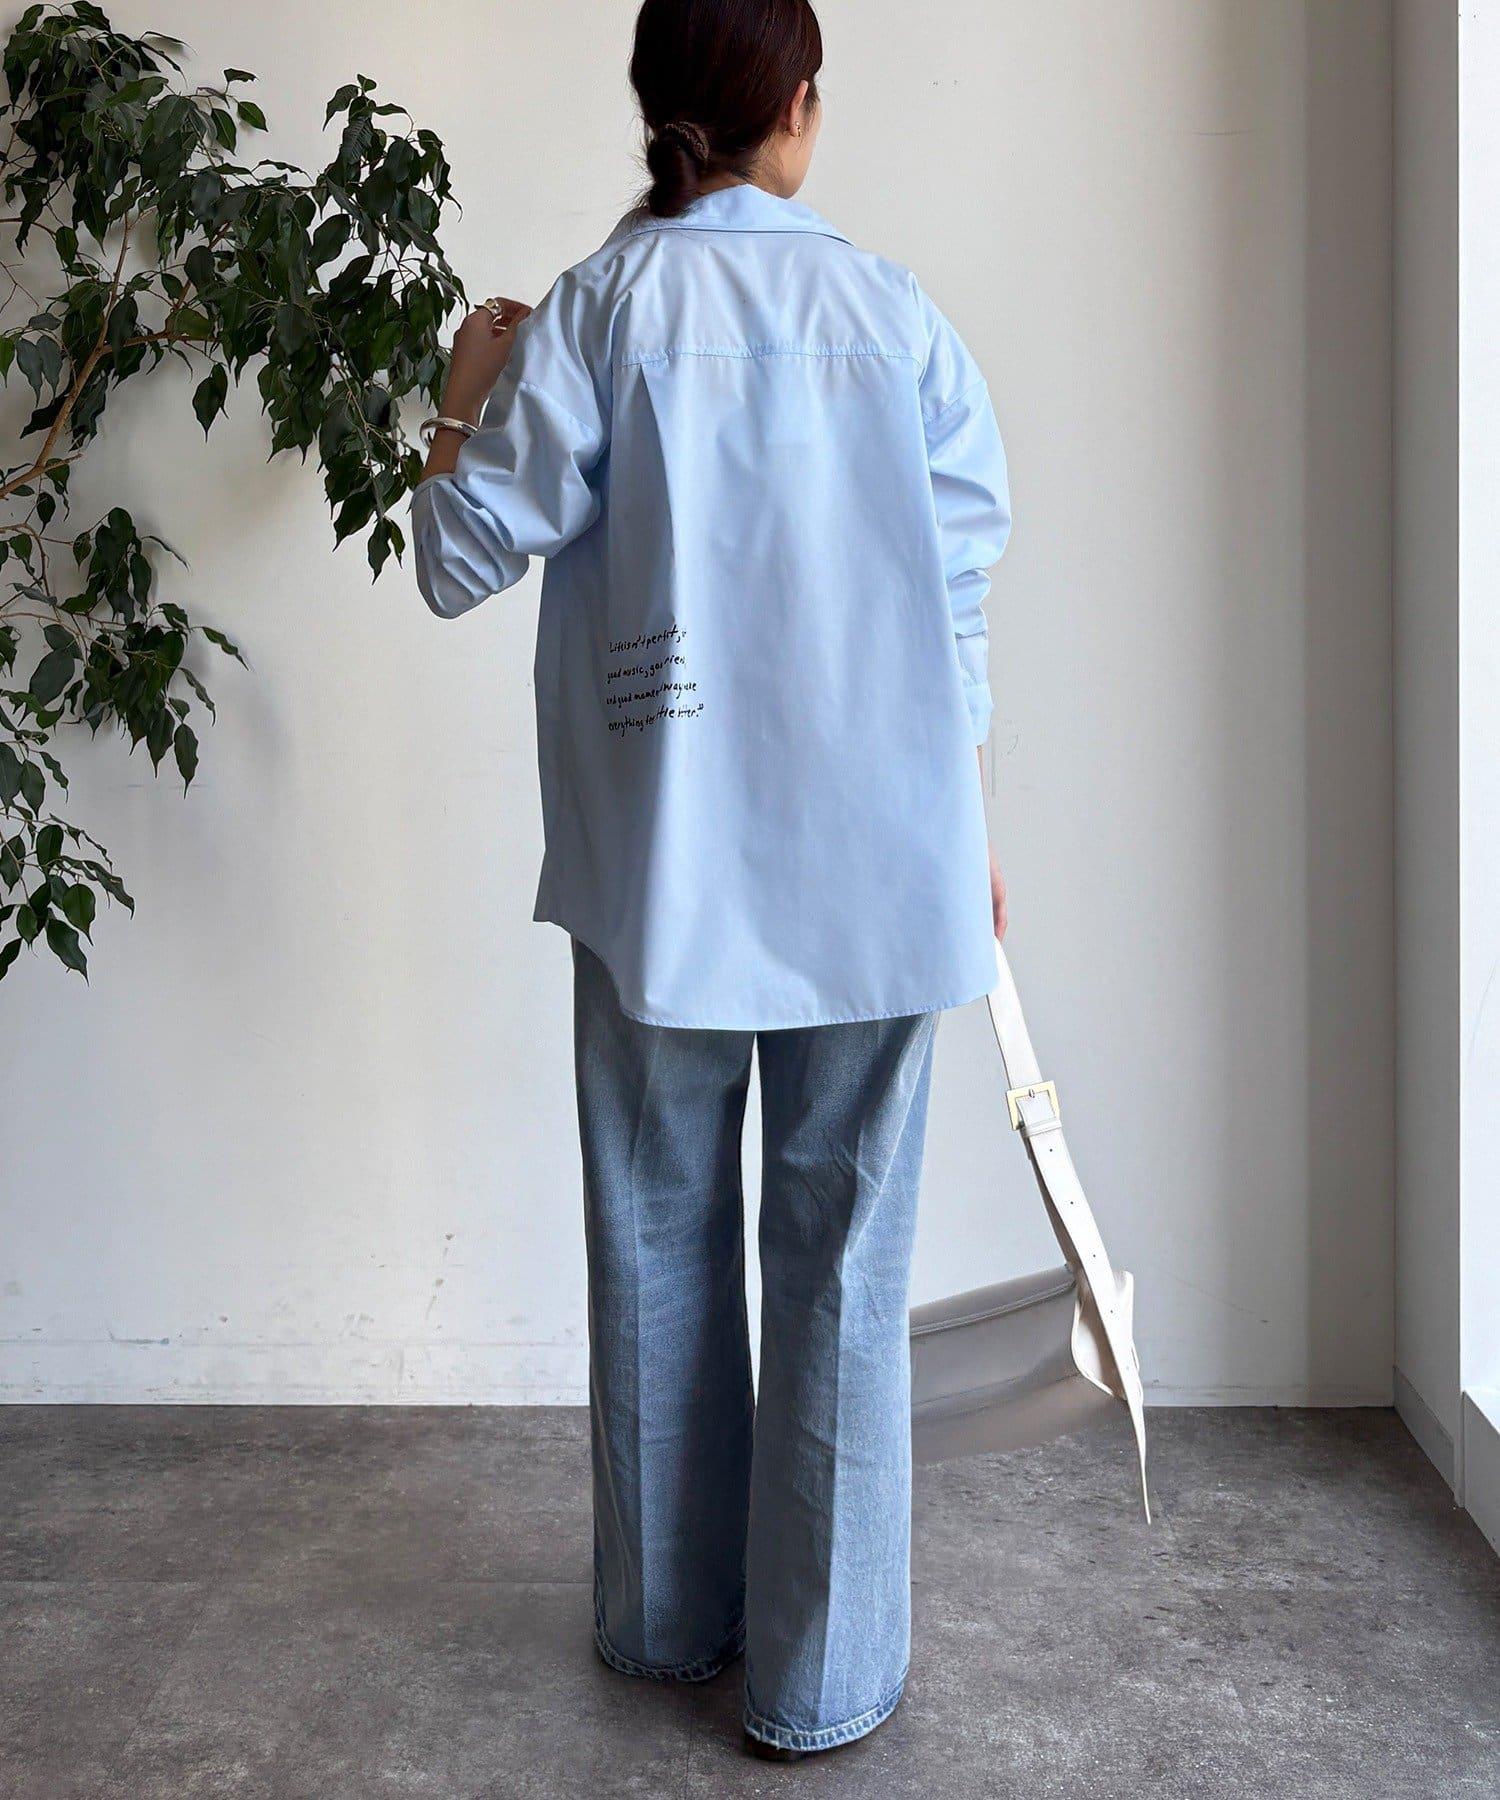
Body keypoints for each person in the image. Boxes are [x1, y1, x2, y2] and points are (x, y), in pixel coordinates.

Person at [411, 0, 1011, 1761]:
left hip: (659, 876)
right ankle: (819, 1681)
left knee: (657, 1228)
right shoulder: (895, 315)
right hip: (883, 865)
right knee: (845, 1263)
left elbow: (455, 562)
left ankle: (671, 1621)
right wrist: (972, 834)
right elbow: (960, 605)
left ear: (657, 110)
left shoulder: (598, 310)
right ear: (797, 107)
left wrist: (456, 401)